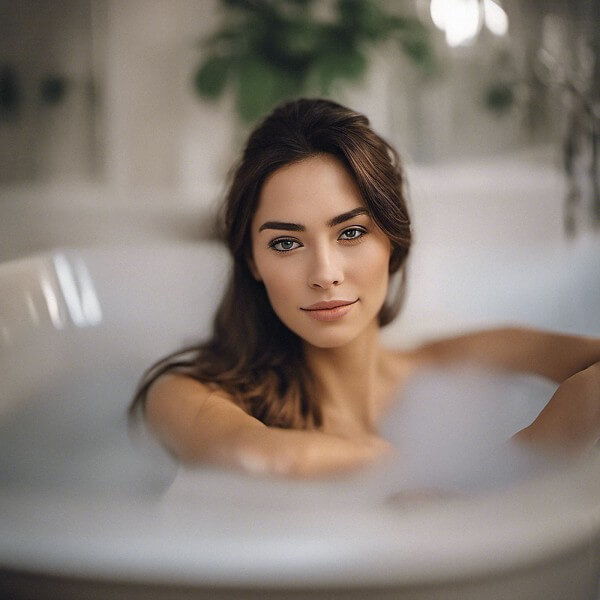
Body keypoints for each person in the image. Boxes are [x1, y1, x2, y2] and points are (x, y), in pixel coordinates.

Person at [129, 98, 600, 478]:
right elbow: (266, 457)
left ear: (392, 242)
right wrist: (518, 457)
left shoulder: (449, 366)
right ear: (252, 259)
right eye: (287, 242)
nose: (325, 272)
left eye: (351, 233)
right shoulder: (184, 394)